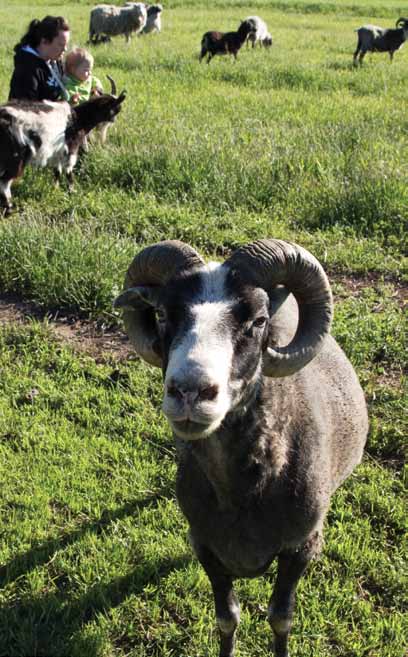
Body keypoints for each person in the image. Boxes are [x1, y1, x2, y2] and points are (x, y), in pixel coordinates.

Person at [9, 15, 70, 101]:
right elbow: (26, 108)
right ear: (44, 41)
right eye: (61, 45)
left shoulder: (55, 60)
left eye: (66, 44)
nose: (65, 49)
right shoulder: (27, 69)